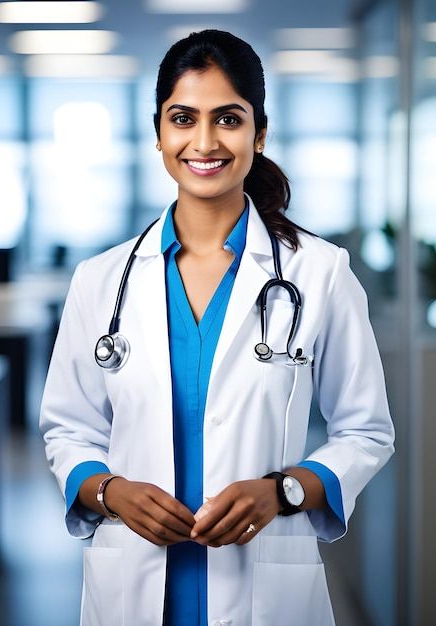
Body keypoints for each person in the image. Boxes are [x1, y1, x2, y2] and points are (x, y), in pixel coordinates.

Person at [40, 29, 395, 626]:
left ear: (259, 132)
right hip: (132, 577)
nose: (204, 142)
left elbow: (366, 431)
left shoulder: (320, 272)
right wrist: (109, 491)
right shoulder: (100, 280)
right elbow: (66, 429)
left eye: (227, 119)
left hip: (265, 585)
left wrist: (283, 490)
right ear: (158, 133)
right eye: (183, 118)